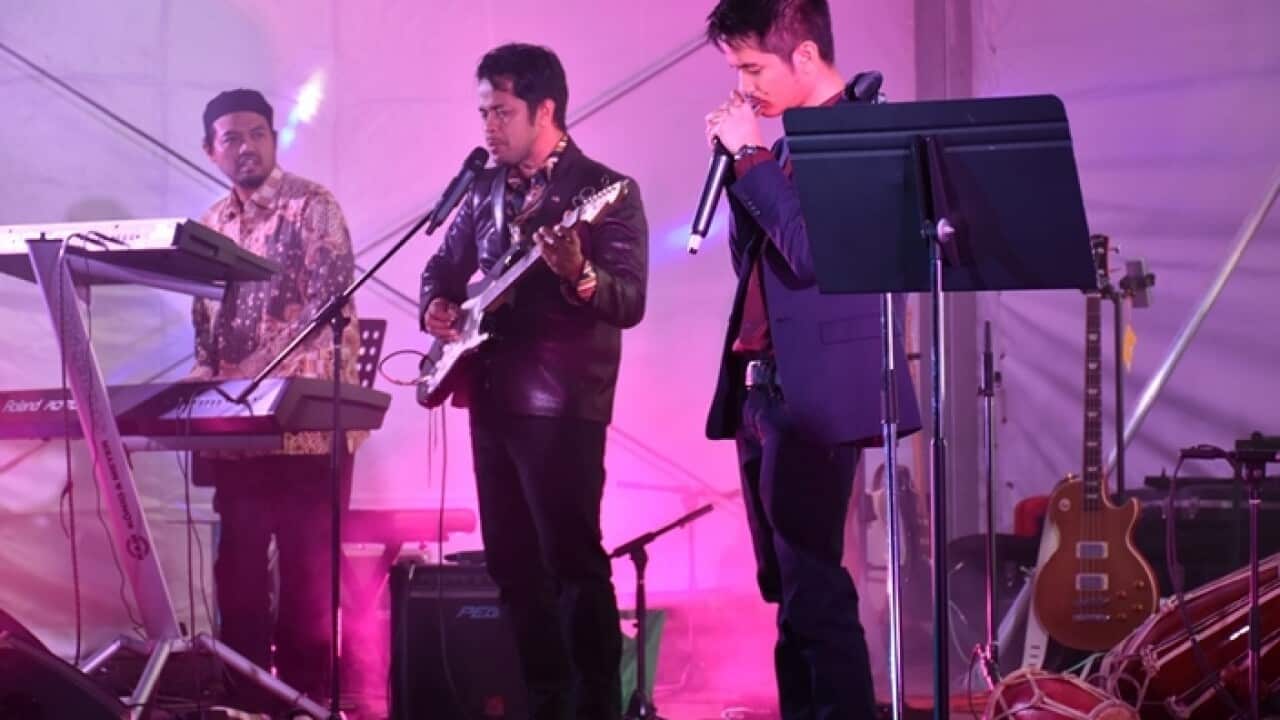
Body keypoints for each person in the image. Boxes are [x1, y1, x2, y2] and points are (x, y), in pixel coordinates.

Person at [702, 1, 921, 717]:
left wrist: (748, 155)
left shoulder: (857, 129)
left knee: (816, 591)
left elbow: (815, 255)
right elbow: (755, 262)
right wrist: (745, 171)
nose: (743, 86)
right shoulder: (791, 142)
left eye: (751, 67)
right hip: (764, 391)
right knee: (789, 594)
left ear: (802, 56)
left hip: (818, 394)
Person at [418, 43, 648, 720]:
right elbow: (443, 265)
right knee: (513, 567)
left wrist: (578, 273)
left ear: (545, 109)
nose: (488, 125)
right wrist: (436, 302)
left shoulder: (604, 190)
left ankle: (598, 704)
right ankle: (546, 701)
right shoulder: (485, 188)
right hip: (489, 397)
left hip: (563, 403)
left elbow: (627, 301)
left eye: (502, 110)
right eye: (484, 111)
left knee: (572, 564)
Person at [192, 88, 363, 708]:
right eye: (231, 138)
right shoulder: (209, 225)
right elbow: (204, 326)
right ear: (210, 149)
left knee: (308, 578)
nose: (246, 147)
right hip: (239, 432)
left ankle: (304, 702)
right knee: (235, 573)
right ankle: (242, 698)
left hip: (303, 423)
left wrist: (266, 390)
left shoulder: (312, 206)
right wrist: (203, 394)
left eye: (257, 134)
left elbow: (329, 309)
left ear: (274, 138)